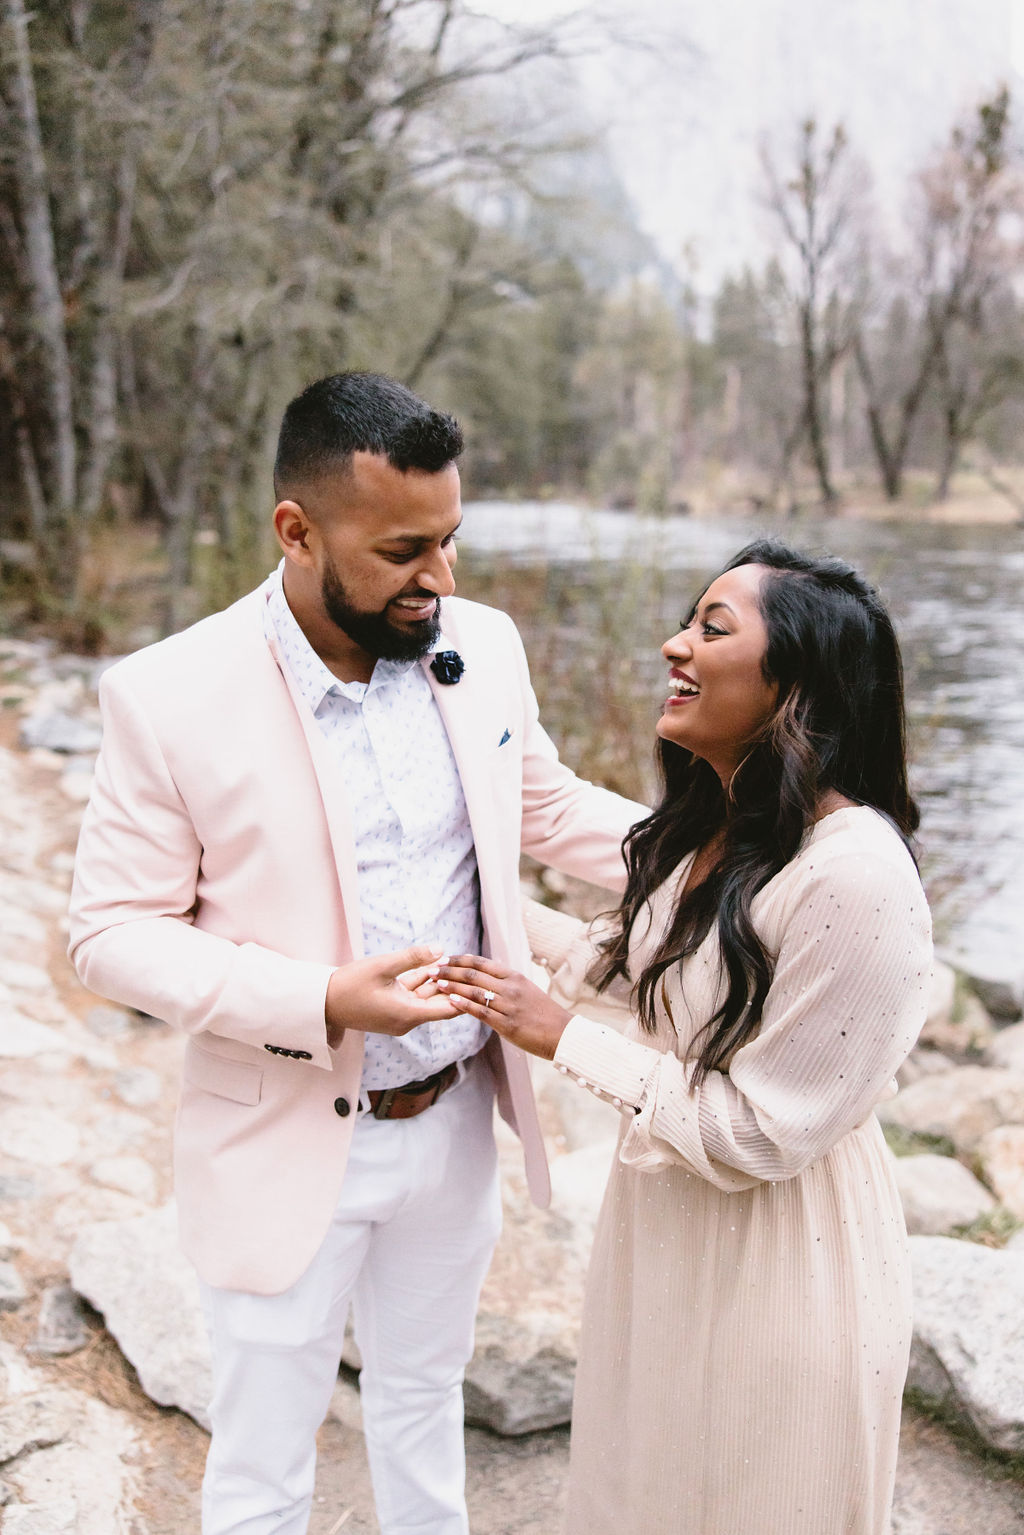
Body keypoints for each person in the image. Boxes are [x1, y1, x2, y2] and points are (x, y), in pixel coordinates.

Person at [68, 371, 646, 1535]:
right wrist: (321, 998)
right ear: (297, 531)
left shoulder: (479, 642)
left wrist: (736, 860)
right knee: (265, 1470)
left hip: (454, 1122)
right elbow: (109, 933)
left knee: (425, 1406)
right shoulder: (167, 695)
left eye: (450, 540)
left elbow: (546, 806)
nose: (440, 578)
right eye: (402, 550)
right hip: (279, 1136)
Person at [434, 540, 933, 1535]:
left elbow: (759, 1132)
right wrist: (459, 907)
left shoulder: (856, 876)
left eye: (711, 628)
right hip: (667, 1224)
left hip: (786, 1253)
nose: (674, 645)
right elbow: (633, 966)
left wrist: (562, 1037)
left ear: (796, 681)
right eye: (685, 619)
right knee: (642, 1485)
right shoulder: (720, 831)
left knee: (756, 1490)